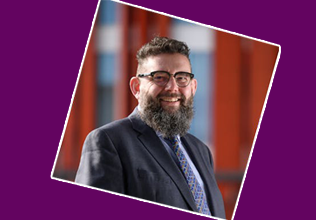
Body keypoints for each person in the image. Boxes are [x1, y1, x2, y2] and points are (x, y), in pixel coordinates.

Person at [75, 37, 226, 218]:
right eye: (159, 77)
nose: (172, 88)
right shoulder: (108, 141)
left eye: (182, 78)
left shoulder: (201, 151)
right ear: (136, 87)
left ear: (193, 87)